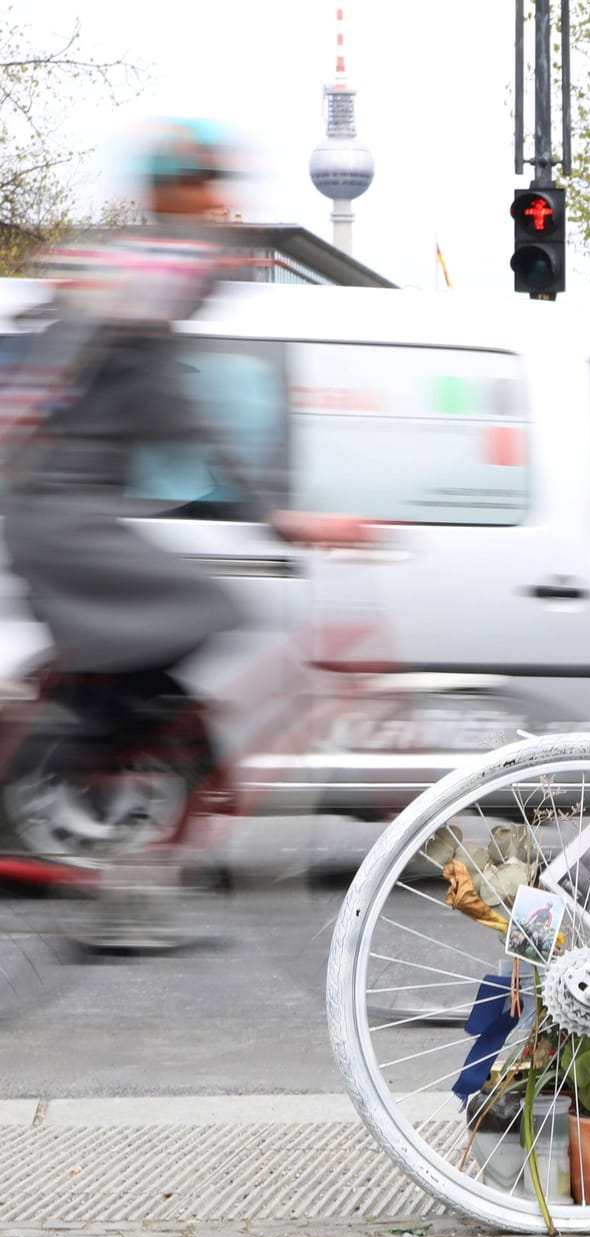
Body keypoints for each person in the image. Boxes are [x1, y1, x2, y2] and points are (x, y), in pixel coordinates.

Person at [1, 119, 369, 866]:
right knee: (208, 607)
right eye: (206, 185)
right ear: (174, 190)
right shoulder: (137, 286)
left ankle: (94, 737)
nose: (217, 204)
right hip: (60, 517)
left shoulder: (126, 281)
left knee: (162, 630)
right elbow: (187, 422)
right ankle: (86, 754)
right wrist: (277, 517)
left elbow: (168, 411)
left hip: (58, 513)